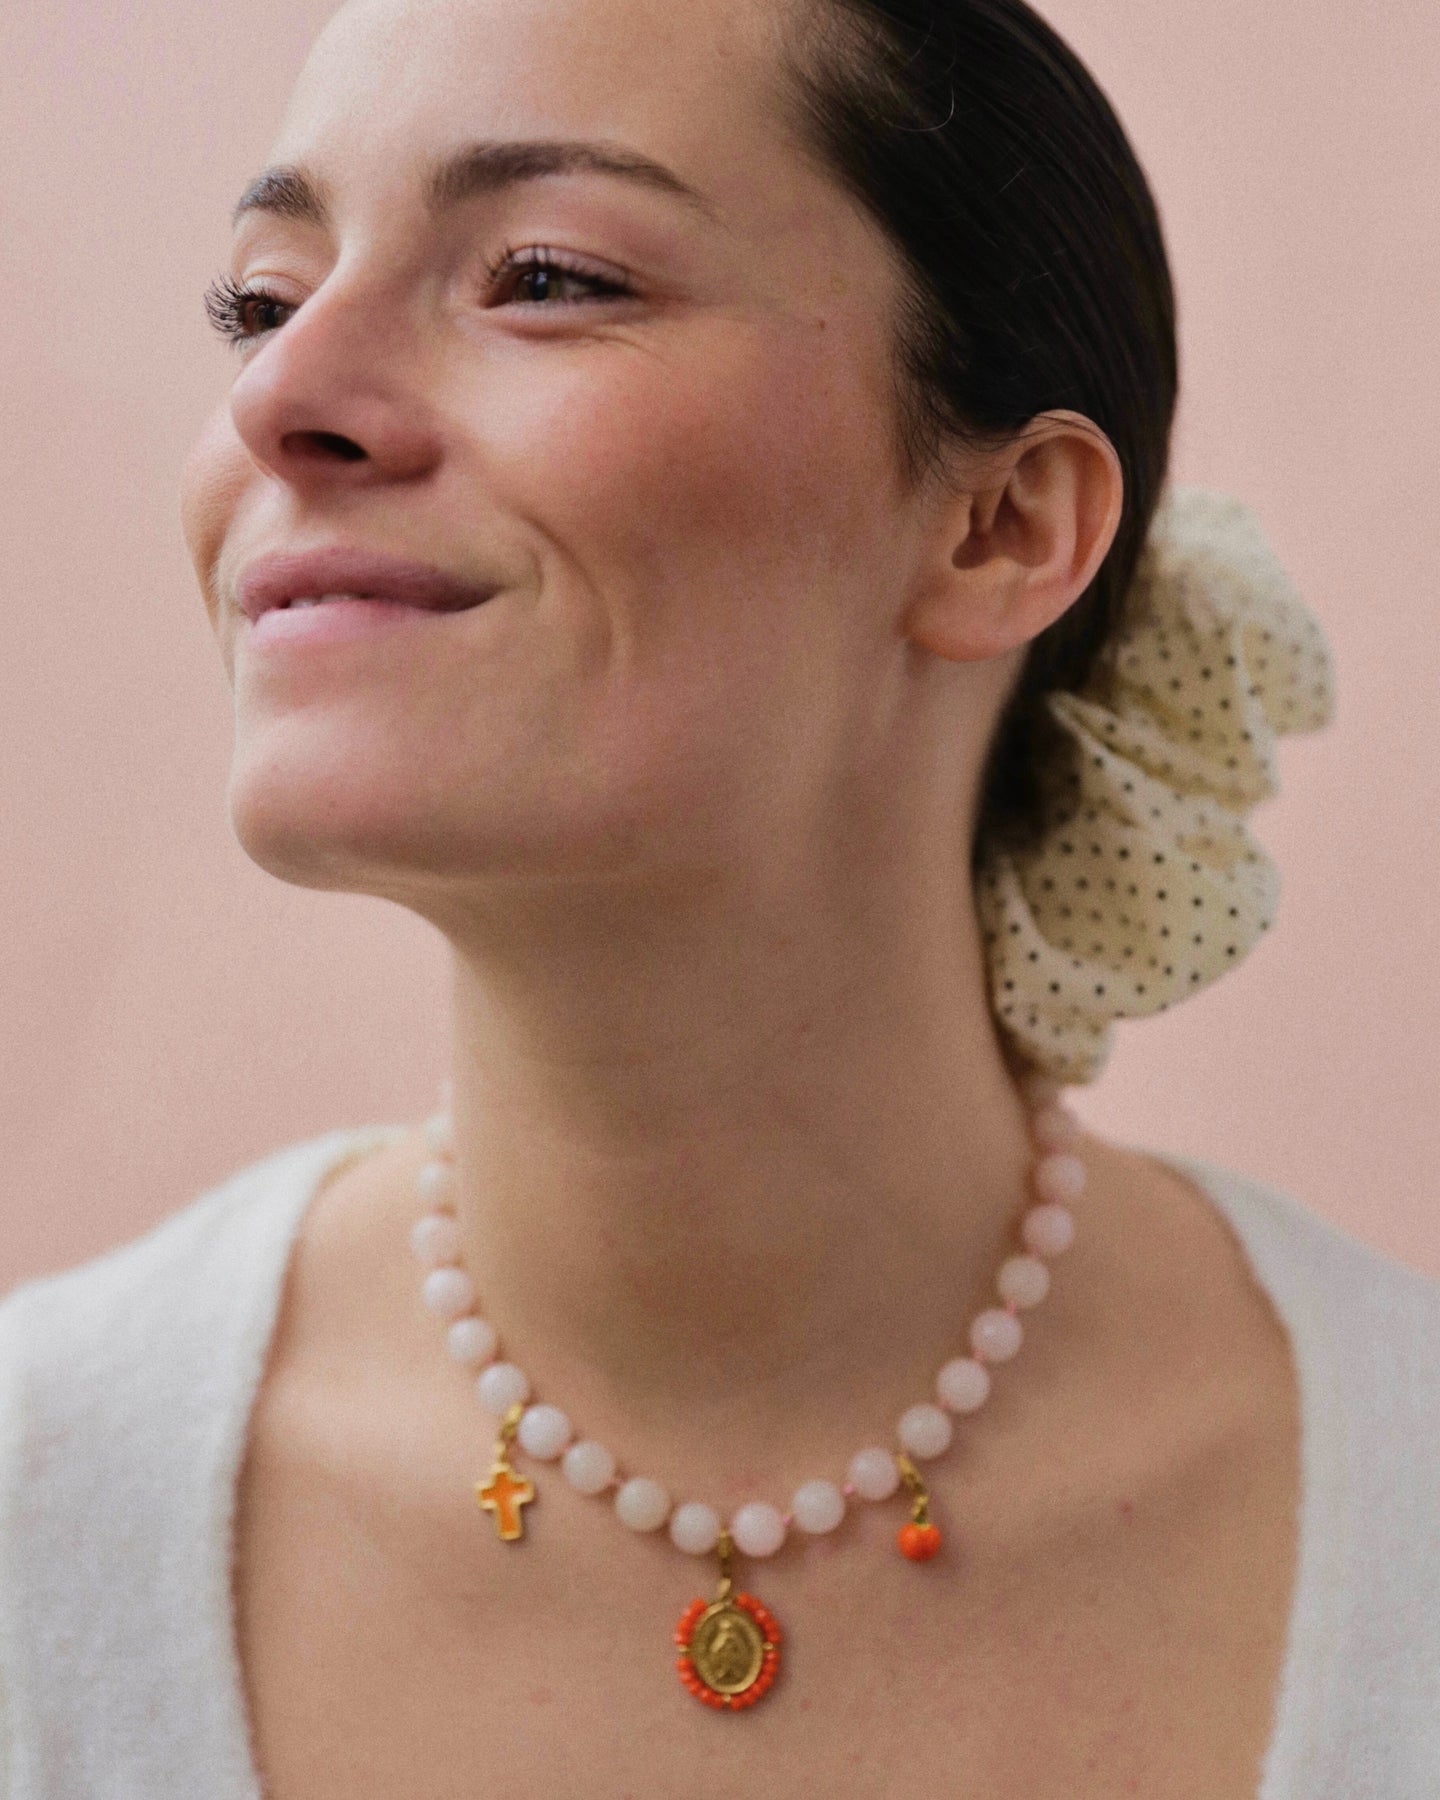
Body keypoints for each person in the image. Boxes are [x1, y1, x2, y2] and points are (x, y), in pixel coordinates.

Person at [2, 0, 1438, 1792]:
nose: (276, 396)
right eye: (261, 301)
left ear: (1001, 525)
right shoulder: (37, 1503)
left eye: (544, 276)